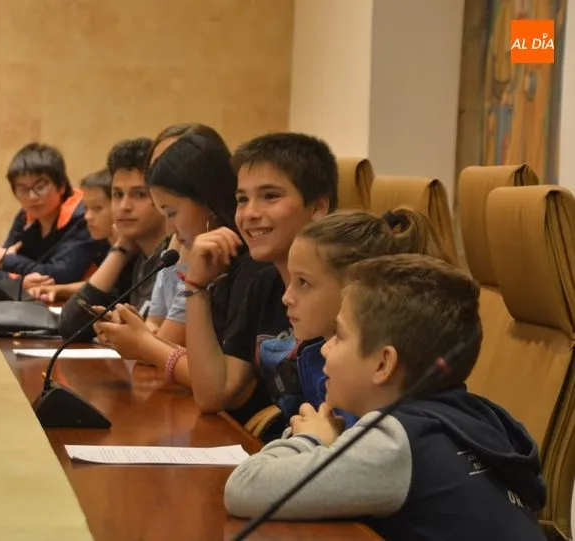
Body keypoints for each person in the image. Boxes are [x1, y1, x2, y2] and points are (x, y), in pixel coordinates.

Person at [224, 254, 546, 541]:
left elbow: (244, 487)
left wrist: (312, 439)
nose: (325, 348)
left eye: (340, 336)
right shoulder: (470, 416)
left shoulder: (393, 444)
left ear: (383, 364)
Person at [182, 132, 337, 424]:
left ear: (318, 207)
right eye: (242, 199)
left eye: (270, 196)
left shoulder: (342, 291)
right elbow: (214, 395)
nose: (249, 214)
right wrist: (196, 287)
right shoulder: (262, 282)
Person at [257, 208, 450, 438]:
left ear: (355, 289)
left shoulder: (373, 381)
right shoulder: (314, 354)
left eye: (304, 283)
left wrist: (317, 443)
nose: (286, 297)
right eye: (291, 280)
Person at [93, 130, 263, 364]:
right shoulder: (175, 249)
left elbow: (217, 382)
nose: (169, 226)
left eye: (171, 212)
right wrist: (139, 334)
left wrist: (142, 342)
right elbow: (156, 328)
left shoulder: (249, 268)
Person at [57, 137, 170, 340]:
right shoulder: (135, 256)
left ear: (163, 197)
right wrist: (120, 249)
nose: (124, 206)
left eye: (139, 194)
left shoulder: (174, 258)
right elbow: (70, 324)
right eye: (118, 194)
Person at [0, 142, 101, 288]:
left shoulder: (84, 216)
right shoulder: (25, 216)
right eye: (23, 189)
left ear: (61, 186)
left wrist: (9, 260)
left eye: (40, 187)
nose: (32, 197)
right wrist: (21, 283)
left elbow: (61, 276)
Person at [28, 168, 116, 302]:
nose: (88, 217)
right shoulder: (107, 244)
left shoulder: (130, 249)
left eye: (97, 208)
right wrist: (57, 290)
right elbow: (98, 284)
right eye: (86, 208)